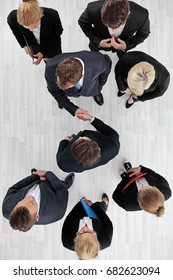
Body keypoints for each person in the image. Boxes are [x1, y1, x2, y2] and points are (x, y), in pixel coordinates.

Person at [2, 169, 75, 231]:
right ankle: (66, 183)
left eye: (23, 201)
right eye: (32, 203)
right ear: (37, 216)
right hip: (53, 188)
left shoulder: (7, 207)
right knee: (62, 187)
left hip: (34, 182)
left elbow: (15, 188)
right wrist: (47, 174)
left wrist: (35, 177)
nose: (30, 197)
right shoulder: (58, 211)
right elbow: (61, 189)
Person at [45, 51, 112, 116]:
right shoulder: (50, 68)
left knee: (95, 91)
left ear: (81, 76)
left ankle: (96, 92)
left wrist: (100, 84)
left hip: (92, 87)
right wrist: (69, 106)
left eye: (69, 86)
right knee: (61, 97)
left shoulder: (98, 61)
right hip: (69, 93)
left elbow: (108, 65)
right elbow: (54, 91)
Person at [78, 0, 150, 57]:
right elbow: (83, 23)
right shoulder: (92, 9)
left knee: (122, 55)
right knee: (93, 52)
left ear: (128, 14)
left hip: (123, 45)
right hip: (98, 42)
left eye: (118, 26)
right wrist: (98, 42)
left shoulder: (142, 15)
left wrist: (126, 46)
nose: (113, 30)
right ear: (101, 12)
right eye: (108, 25)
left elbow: (143, 34)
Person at [7, 0, 63, 65]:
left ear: (39, 17)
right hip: (34, 45)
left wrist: (43, 52)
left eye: (34, 27)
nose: (30, 30)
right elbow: (13, 28)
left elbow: (57, 33)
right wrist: (24, 45)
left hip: (51, 43)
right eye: (26, 27)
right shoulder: (13, 17)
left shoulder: (52, 15)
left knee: (57, 62)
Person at [61, 194, 113, 259]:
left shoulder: (66, 241)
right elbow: (106, 221)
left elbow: (69, 219)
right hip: (97, 216)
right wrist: (93, 206)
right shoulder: (106, 240)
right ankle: (104, 204)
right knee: (100, 206)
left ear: (75, 241)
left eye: (80, 233)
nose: (85, 228)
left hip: (78, 214)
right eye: (91, 232)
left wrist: (80, 204)